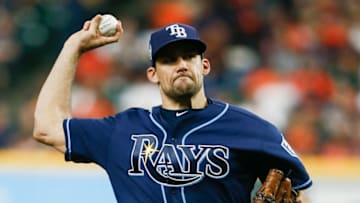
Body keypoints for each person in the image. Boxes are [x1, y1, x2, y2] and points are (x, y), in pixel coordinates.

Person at [33, 14, 312, 203]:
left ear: (204, 66)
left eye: (189, 56)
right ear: (152, 74)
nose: (180, 64)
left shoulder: (251, 129)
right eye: (168, 59)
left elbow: (298, 193)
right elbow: (46, 127)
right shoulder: (121, 130)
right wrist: (73, 47)